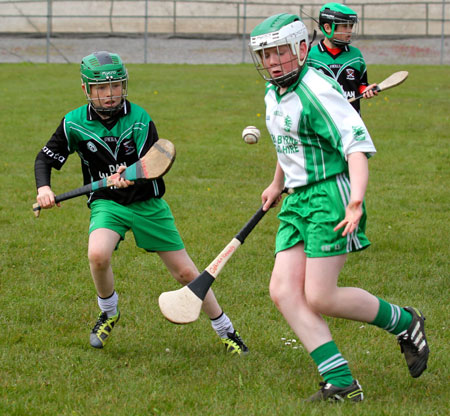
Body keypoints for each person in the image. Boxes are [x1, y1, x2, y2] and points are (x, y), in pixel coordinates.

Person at [248, 14, 429, 402]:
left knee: (320, 296)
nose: (273, 61)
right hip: (297, 200)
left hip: (331, 194)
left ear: (300, 48)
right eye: (265, 54)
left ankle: (405, 321)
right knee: (282, 290)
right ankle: (341, 382)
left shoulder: (318, 89)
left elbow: (356, 147)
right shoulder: (273, 92)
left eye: (280, 51)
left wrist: (356, 201)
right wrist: (277, 183)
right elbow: (287, 140)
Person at [34, 51, 248, 355]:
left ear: (124, 86)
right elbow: (45, 157)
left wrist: (131, 174)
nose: (110, 95)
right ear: (86, 90)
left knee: (186, 273)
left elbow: (155, 164)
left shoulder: (140, 119)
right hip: (108, 203)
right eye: (101, 89)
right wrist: (44, 188)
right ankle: (109, 311)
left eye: (116, 87)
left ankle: (226, 329)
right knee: (98, 254)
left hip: (148, 205)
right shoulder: (74, 123)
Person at [307, 2, 377, 114]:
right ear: (328, 28)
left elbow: (361, 84)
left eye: (351, 26)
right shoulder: (310, 56)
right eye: (345, 26)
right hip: (322, 120)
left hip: (351, 120)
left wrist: (365, 90)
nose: (349, 31)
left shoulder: (356, 56)